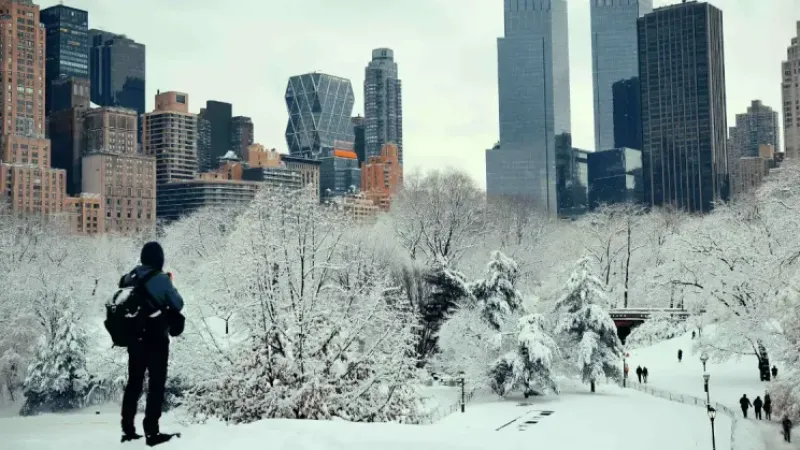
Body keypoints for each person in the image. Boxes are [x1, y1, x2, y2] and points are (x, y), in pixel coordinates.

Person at [120, 242, 184, 446]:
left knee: (134, 384)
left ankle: (128, 430)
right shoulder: (161, 279)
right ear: (159, 259)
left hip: (135, 339)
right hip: (156, 339)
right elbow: (178, 303)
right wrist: (169, 283)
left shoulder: (130, 277)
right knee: (156, 385)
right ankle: (152, 432)